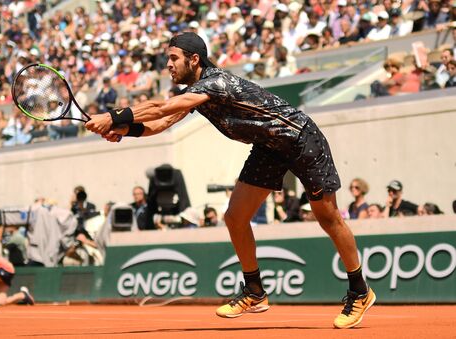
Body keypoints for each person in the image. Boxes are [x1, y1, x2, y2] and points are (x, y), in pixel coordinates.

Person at [85, 32, 374, 329]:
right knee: (235, 217)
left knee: (327, 217)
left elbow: (160, 107)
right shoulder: (197, 93)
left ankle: (360, 290)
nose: (168, 65)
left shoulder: (216, 82)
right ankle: (255, 291)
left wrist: (113, 116)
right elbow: (160, 123)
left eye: (174, 58)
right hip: (268, 148)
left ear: (193, 59)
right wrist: (125, 130)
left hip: (301, 138)